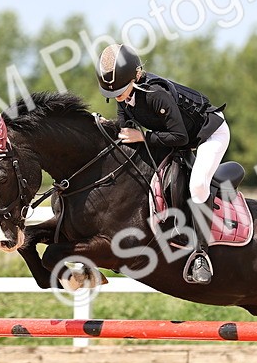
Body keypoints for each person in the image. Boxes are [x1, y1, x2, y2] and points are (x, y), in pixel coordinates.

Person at [96, 43, 229, 285]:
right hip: (175, 138)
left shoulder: (155, 95)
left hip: (208, 134)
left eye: (121, 91)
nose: (118, 98)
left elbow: (181, 137)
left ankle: (201, 254)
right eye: (113, 94)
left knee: (198, 184)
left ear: (136, 76)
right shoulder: (123, 94)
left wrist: (144, 137)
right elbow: (125, 130)